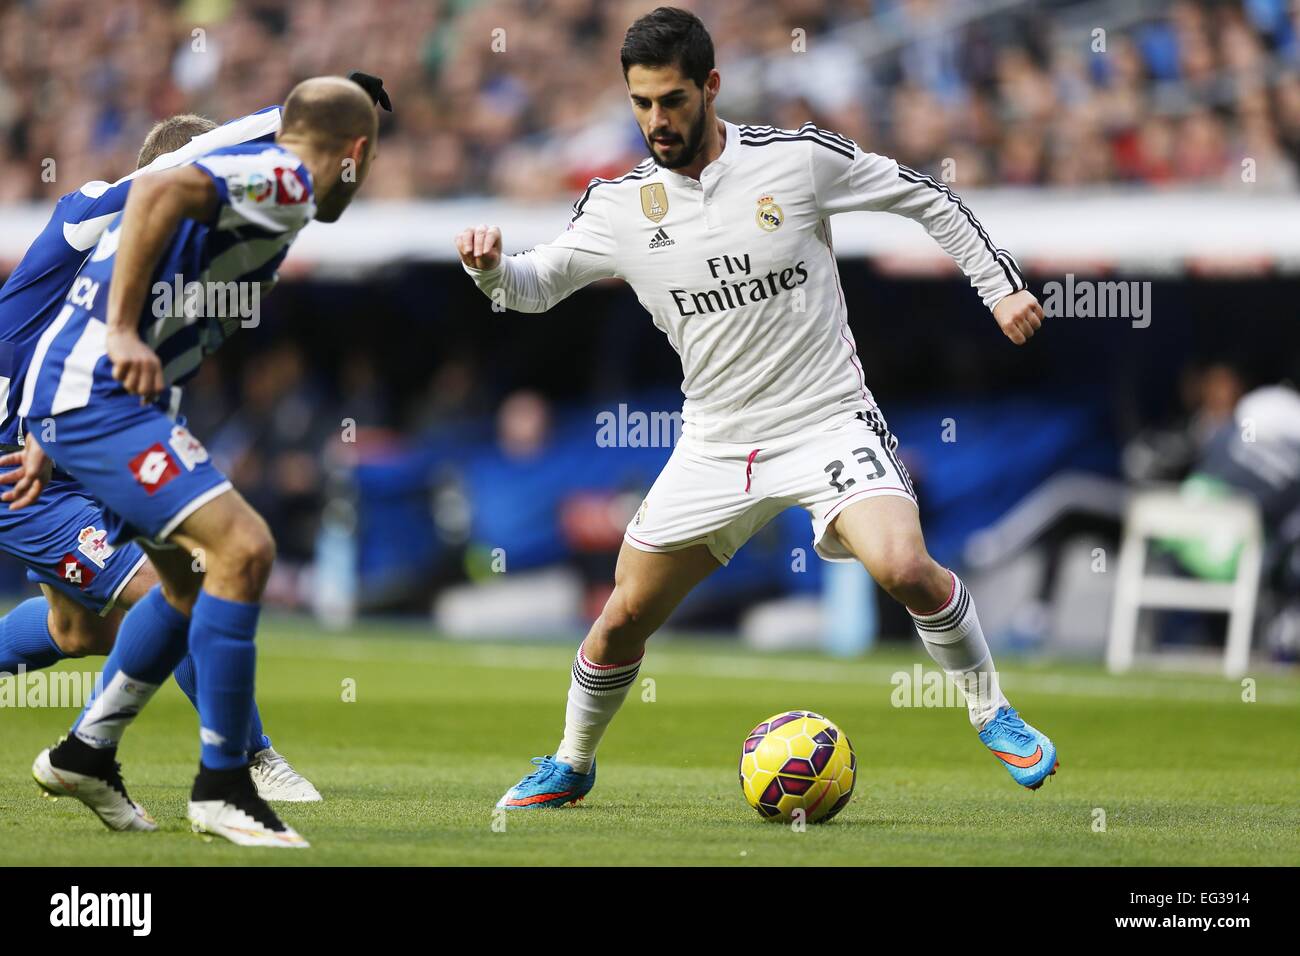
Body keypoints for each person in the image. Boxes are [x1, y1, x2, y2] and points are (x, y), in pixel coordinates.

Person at [456, 8, 1057, 811]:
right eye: (640, 103)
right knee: (621, 617)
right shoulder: (618, 206)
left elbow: (926, 197)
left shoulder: (798, 161)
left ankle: (994, 712)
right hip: (714, 442)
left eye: (671, 100)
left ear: (710, 86)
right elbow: (536, 286)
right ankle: (572, 760)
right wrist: (493, 273)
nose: (655, 121)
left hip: (827, 420)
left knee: (906, 566)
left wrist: (1000, 285)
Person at [14, 75, 379, 847]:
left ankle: (88, 751)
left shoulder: (271, 192)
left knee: (176, 585)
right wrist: (113, 340)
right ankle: (228, 782)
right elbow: (158, 190)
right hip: (98, 399)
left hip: (89, 405)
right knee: (240, 551)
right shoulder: (281, 179)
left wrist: (50, 416)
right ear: (357, 151)